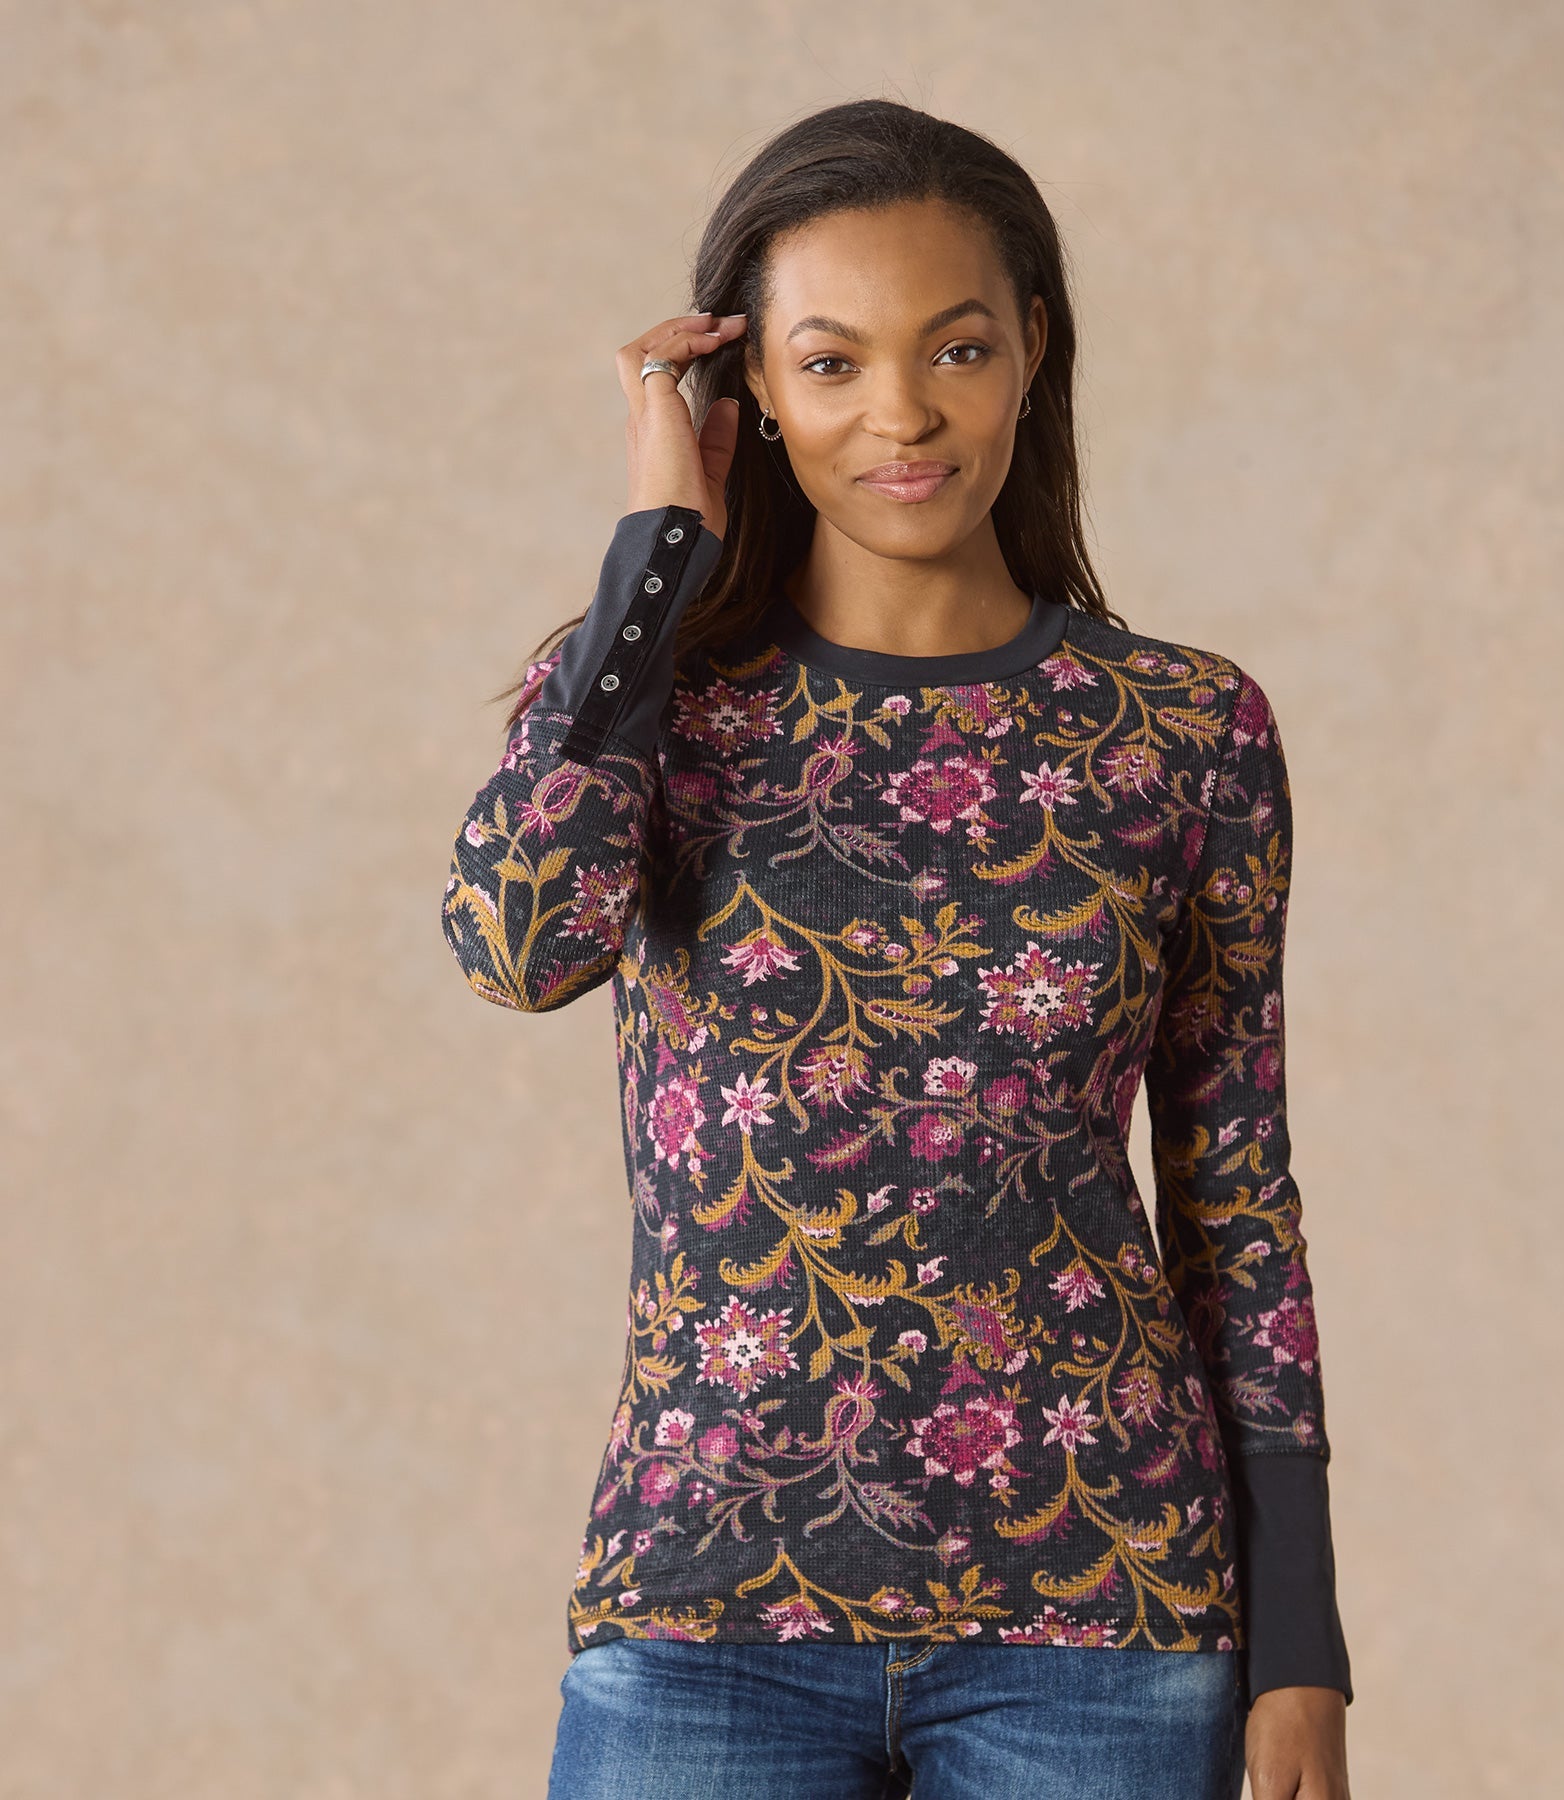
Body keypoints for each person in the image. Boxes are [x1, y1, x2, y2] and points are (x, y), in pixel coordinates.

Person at [441, 98, 1353, 1800]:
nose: (904, 414)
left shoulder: (1182, 732)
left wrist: (1301, 1645)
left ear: (1033, 354)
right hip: (704, 1606)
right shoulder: (655, 695)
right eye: (831, 363)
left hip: (1101, 1620)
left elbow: (1238, 1198)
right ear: (752, 394)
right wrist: (656, 556)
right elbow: (516, 942)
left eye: (957, 348)